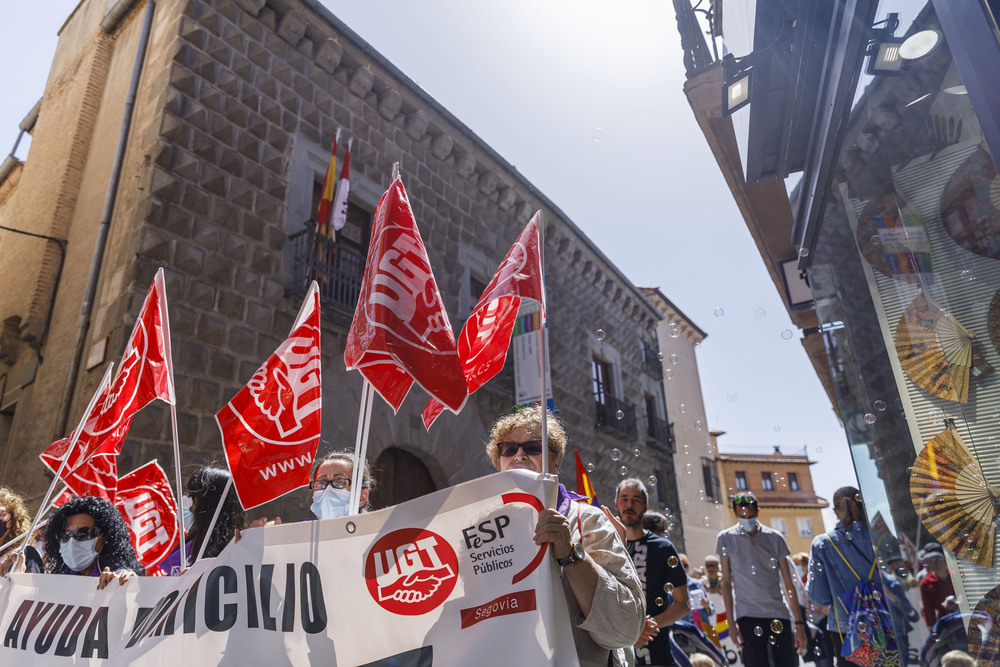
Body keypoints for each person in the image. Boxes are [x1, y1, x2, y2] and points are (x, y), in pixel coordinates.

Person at [486, 407, 645, 667]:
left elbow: (626, 627)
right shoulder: (480, 530)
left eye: (533, 447)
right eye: (508, 449)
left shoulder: (588, 520)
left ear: (556, 460)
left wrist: (570, 553)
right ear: (499, 461)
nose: (519, 455)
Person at [808, 486, 903, 666]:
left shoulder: (822, 544)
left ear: (836, 512)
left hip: (845, 630)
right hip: (887, 626)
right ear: (863, 505)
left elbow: (818, 597)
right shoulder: (886, 540)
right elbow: (901, 587)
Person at [716, 491, 806, 667]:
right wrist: (731, 624)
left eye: (750, 515)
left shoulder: (775, 538)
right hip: (747, 615)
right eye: (742, 516)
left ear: (757, 512)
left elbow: (789, 584)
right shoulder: (726, 538)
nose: (746, 519)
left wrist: (799, 623)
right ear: (735, 513)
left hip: (779, 613)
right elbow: (726, 583)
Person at [613, 477, 689, 666]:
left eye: (636, 500)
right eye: (624, 498)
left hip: (657, 656)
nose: (629, 505)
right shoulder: (608, 545)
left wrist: (648, 627)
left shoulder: (663, 548)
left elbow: (683, 604)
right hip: (616, 653)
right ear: (616, 504)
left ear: (645, 506)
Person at [158, 466, 247, 575]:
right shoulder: (189, 543)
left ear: (209, 505)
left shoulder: (238, 551)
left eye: (192, 495)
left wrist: (203, 579)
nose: (186, 500)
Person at [42, 496, 144, 588]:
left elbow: (132, 588)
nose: (72, 542)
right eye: (64, 535)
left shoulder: (114, 578)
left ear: (104, 537)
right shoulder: (56, 580)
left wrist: (129, 583)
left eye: (82, 533)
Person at [309, 448, 375, 518]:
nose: (328, 490)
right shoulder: (300, 528)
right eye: (321, 484)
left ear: (361, 497)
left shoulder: (377, 528)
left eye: (340, 483)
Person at [919, 542, 956, 629]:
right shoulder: (925, 583)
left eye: (938, 558)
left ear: (945, 559)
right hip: (946, 625)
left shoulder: (956, 576)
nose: (936, 563)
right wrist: (934, 631)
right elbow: (928, 610)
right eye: (931, 560)